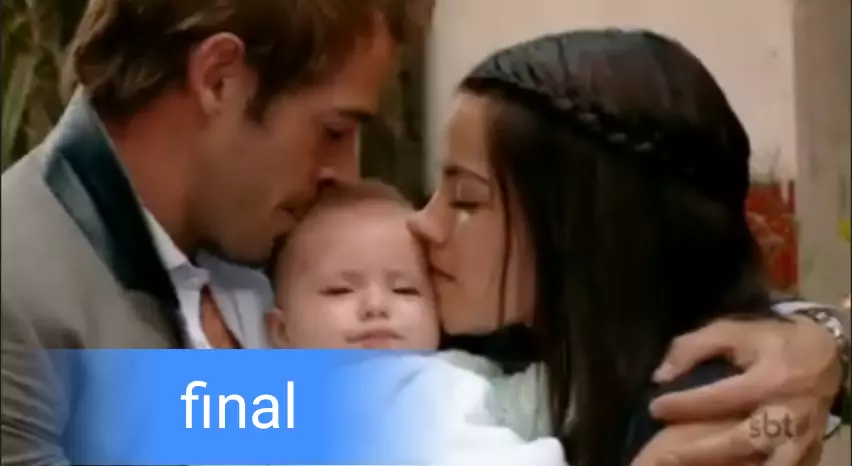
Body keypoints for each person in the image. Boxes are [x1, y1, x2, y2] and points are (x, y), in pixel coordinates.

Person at [1, 1, 429, 464]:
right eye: (334, 131)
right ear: (219, 79)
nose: (344, 173)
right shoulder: (21, 295)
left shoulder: (275, 241)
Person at [408, 29, 850, 465]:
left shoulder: (700, 412)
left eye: (466, 199)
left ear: (588, 228)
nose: (422, 223)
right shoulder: (468, 340)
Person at [266, 180, 567, 465]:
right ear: (281, 331)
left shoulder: (462, 374)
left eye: (404, 290)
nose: (376, 306)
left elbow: (556, 396)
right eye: (340, 290)